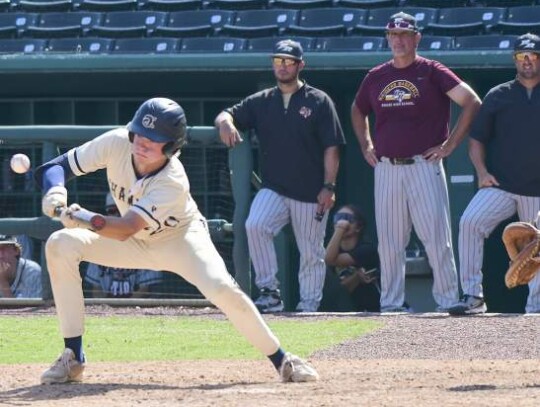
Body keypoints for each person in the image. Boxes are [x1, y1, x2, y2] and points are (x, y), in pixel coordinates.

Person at [35, 97, 318, 384]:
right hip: (132, 243)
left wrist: (83, 218)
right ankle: (73, 356)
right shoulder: (117, 142)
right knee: (60, 244)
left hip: (180, 240)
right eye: (140, 134)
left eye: (154, 139)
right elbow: (54, 167)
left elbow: (126, 228)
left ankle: (283, 359)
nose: (142, 143)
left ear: (171, 146)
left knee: (222, 289)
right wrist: (55, 192)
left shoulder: (173, 180)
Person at [350, 12, 482, 312]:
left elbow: (472, 100)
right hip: (386, 168)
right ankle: (392, 304)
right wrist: (365, 143)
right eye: (393, 34)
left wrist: (450, 145)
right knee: (390, 243)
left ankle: (448, 300)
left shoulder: (431, 70)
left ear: (416, 38)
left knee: (436, 238)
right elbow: (358, 110)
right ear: (387, 38)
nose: (398, 40)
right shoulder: (376, 75)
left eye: (404, 34)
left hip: (424, 165)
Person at [215, 39, 346, 313]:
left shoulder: (319, 100)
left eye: (288, 61)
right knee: (256, 225)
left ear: (300, 64)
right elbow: (226, 114)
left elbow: (332, 147)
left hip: (311, 190)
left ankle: (309, 305)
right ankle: (269, 292)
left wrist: (329, 186)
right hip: (274, 187)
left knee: (311, 251)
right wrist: (225, 122)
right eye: (278, 61)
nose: (283, 66)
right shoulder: (262, 101)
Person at [449, 33, 540, 315]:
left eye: (533, 55)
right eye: (521, 56)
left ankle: (536, 306)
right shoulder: (499, 94)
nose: (527, 61)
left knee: (538, 242)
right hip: (502, 184)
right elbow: (477, 140)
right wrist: (482, 172)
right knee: (470, 221)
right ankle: (473, 296)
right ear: (515, 59)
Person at [84, 193, 163, 298]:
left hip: (137, 311)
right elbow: (96, 290)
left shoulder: (145, 241)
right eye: (112, 211)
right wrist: (107, 310)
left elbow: (145, 290)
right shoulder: (98, 244)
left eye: (121, 212)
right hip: (105, 310)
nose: (117, 216)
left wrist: (125, 311)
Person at [322, 204, 380, 312]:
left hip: (372, 310)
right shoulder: (331, 250)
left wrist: (340, 229)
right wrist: (356, 277)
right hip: (344, 311)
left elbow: (330, 260)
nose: (342, 222)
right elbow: (338, 290)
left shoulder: (367, 249)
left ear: (358, 227)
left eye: (348, 218)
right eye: (338, 218)